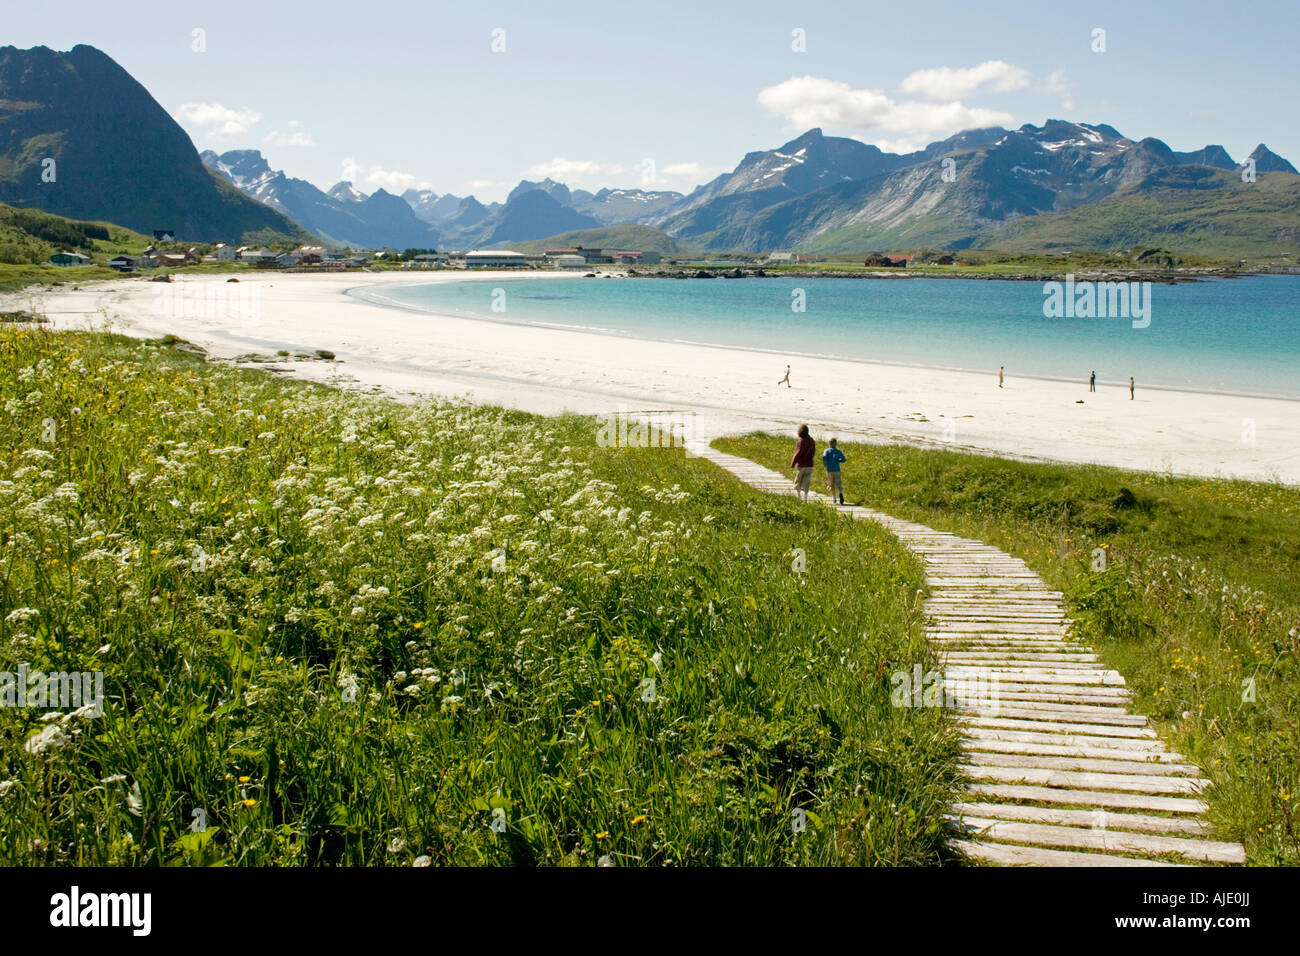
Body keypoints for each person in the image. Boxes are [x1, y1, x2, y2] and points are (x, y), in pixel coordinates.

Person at [791, 424, 815, 501]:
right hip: (810, 464)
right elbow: (813, 452)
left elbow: (798, 452)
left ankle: (798, 497)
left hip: (801, 464)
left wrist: (793, 463)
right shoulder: (812, 440)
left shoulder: (801, 440)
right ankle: (805, 497)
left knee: (798, 480)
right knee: (806, 481)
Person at [822, 437, 846, 505]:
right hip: (837, 469)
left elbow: (824, 458)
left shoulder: (826, 451)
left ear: (829, 444)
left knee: (831, 484)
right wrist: (839, 460)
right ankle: (841, 493)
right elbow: (844, 459)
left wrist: (825, 465)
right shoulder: (838, 451)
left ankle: (834, 498)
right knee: (839, 483)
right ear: (836, 444)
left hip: (829, 470)